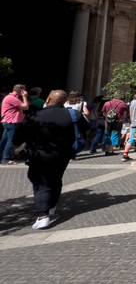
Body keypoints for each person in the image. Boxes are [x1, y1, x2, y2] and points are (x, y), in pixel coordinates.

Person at [21, 90, 89, 229]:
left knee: (41, 182)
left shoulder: (35, 115)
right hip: (63, 154)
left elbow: (20, 135)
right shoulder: (73, 114)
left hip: (39, 153)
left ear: (49, 98)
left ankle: (42, 214)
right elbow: (86, 128)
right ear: (64, 101)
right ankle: (51, 206)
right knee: (55, 179)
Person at [1, 84, 29, 164]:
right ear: (20, 90)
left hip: (8, 122)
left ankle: (2, 157)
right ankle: (5, 158)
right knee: (10, 140)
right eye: (24, 90)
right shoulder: (12, 98)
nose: (25, 92)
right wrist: (25, 96)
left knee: (5, 140)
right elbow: (25, 106)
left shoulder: (12, 98)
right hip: (11, 122)